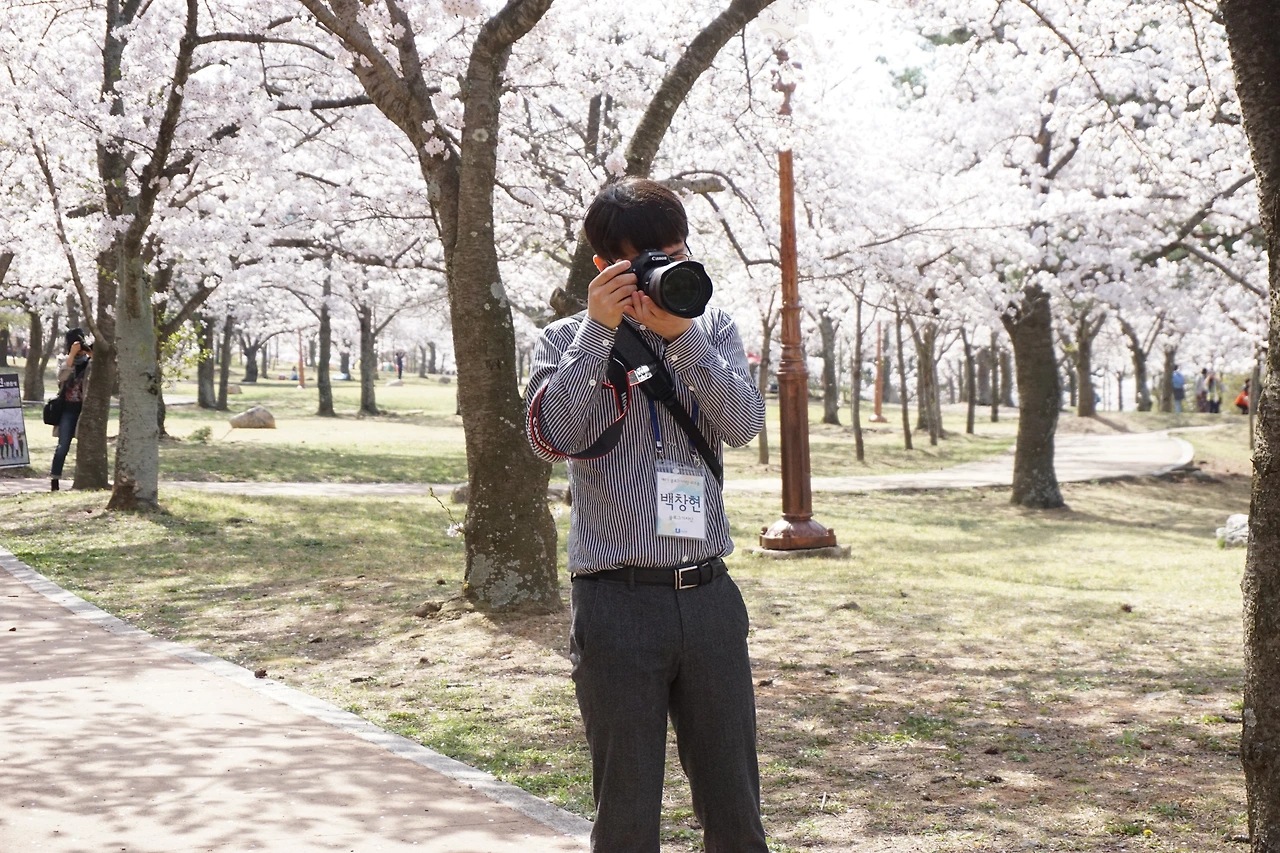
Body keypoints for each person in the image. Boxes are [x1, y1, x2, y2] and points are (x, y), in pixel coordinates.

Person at [525, 178, 768, 853]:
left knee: (736, 812)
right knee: (627, 818)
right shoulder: (563, 340)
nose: (668, 267)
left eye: (677, 250)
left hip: (711, 595)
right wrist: (601, 331)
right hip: (616, 603)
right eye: (647, 259)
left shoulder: (712, 325)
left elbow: (745, 423)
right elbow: (555, 435)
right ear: (606, 266)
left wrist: (685, 342)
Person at [51, 328, 92, 491]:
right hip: (68, 409)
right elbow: (61, 378)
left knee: (87, 446)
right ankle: (55, 480)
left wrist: (92, 355)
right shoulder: (63, 360)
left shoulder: (90, 361)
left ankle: (86, 480)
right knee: (63, 445)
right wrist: (72, 355)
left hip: (86, 409)